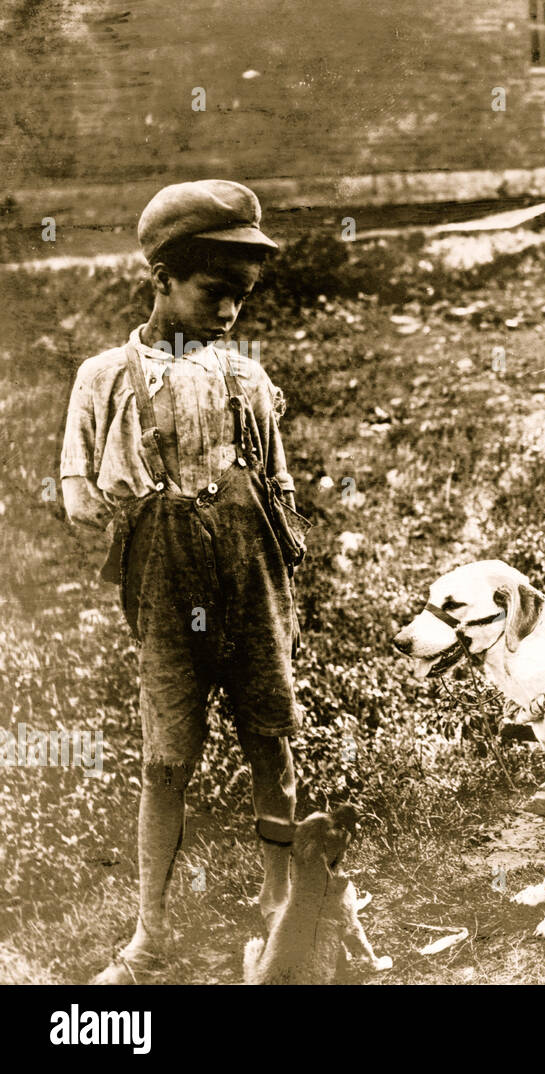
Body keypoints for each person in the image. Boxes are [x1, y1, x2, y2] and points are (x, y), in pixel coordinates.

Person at [61, 180, 307, 983]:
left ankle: (281, 912)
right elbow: (80, 500)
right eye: (213, 291)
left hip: (251, 577)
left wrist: (268, 571)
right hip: (168, 591)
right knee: (166, 760)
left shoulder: (249, 382)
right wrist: (142, 514)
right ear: (161, 278)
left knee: (271, 742)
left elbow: (280, 489)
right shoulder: (104, 379)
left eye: (241, 297)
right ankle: (150, 939)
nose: (230, 312)